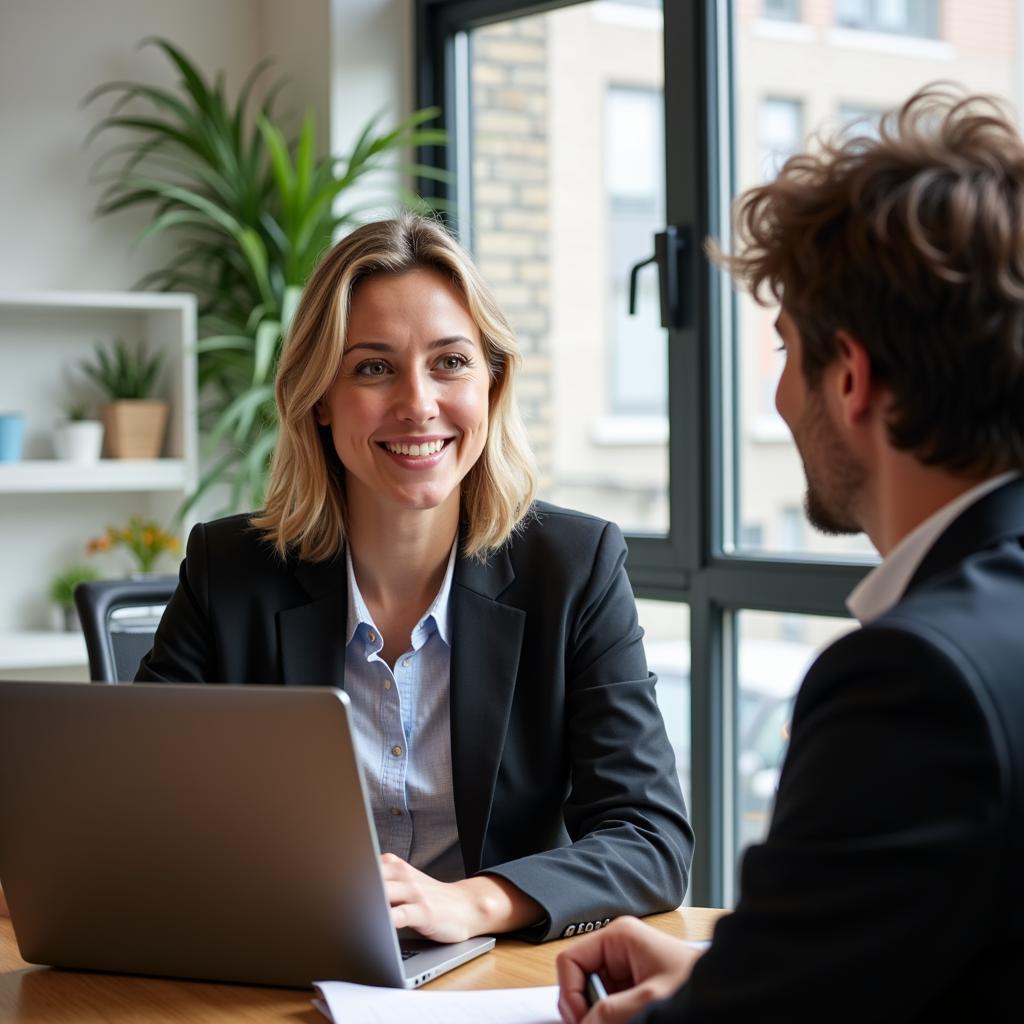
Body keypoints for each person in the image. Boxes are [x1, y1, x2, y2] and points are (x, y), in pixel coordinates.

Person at [557, 86, 1023, 1021]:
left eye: (784, 351)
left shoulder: (913, 681)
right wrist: (732, 968)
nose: (775, 396)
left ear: (849, 376)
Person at [136, 214, 693, 944]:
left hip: (492, 976)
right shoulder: (229, 570)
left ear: (492, 385)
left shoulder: (575, 567)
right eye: (373, 367)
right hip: (286, 965)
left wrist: (478, 901)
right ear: (320, 398)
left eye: (451, 362)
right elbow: (135, 809)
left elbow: (650, 838)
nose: (419, 402)